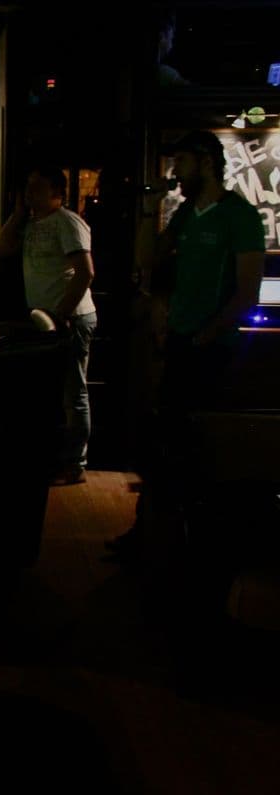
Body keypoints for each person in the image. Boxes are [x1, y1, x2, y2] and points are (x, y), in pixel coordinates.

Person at [111, 131, 265, 560]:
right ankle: (150, 536)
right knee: (164, 442)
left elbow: (247, 292)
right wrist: (149, 209)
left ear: (206, 162)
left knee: (193, 448)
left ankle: (190, 543)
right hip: (179, 340)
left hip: (210, 349)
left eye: (180, 161)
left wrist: (207, 334)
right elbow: (146, 261)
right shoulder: (184, 216)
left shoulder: (239, 216)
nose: (174, 171)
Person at [0, 162, 98, 485]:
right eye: (28, 186)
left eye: (37, 187)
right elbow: (1, 249)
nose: (29, 193)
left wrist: (62, 314)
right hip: (43, 320)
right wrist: (17, 213)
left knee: (72, 391)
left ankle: (74, 464)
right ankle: (53, 458)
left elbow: (85, 272)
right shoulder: (31, 223)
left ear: (57, 192)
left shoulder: (67, 222)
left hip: (70, 318)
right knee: (49, 393)